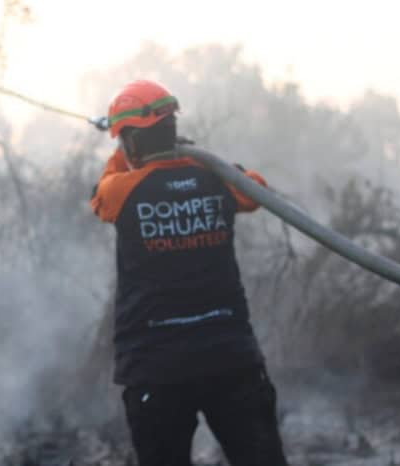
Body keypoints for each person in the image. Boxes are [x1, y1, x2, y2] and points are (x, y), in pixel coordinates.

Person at [90, 80, 288, 466]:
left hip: (156, 370)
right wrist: (191, 161)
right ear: (173, 128)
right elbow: (257, 190)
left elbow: (101, 196)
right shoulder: (217, 178)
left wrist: (121, 150)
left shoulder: (123, 190)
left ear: (129, 141)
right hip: (230, 360)